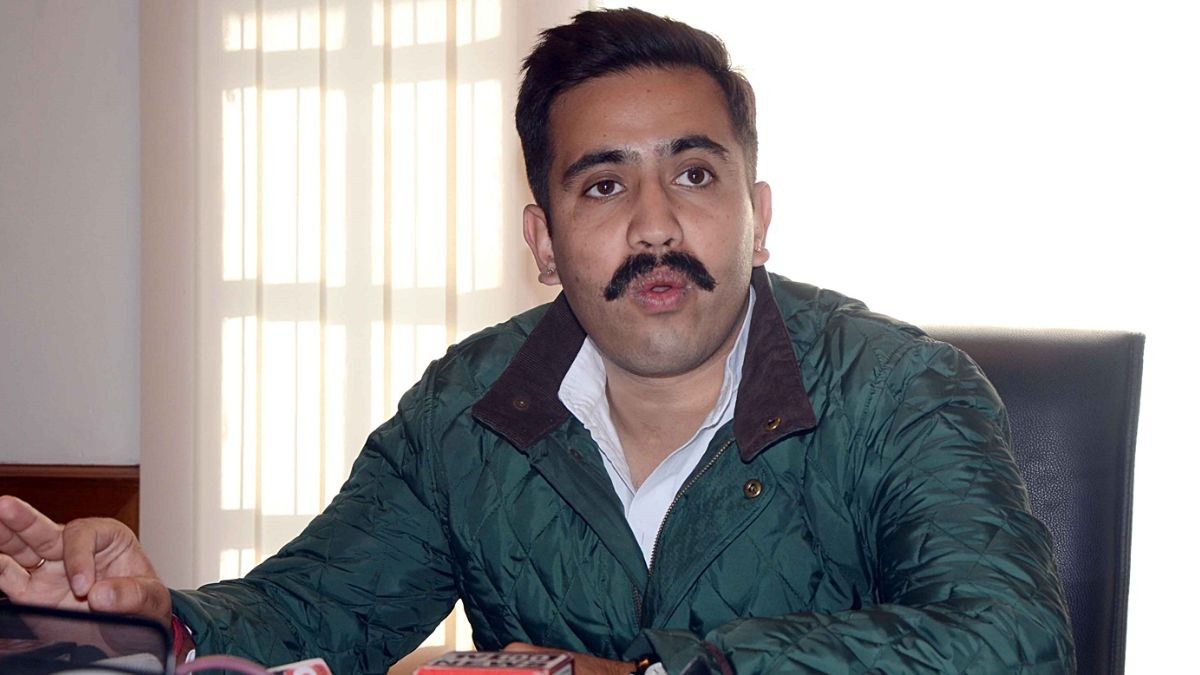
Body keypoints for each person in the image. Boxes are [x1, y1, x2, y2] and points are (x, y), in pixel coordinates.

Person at [0, 8, 1074, 674]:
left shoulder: (903, 390)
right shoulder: (469, 410)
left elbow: (1014, 642)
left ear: (757, 214)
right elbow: (316, 608)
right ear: (544, 243)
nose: (655, 226)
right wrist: (159, 616)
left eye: (695, 174)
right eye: (603, 185)